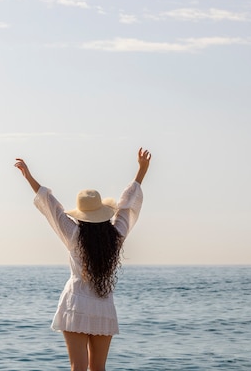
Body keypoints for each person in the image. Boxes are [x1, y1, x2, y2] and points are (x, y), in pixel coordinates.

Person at [14, 147, 151, 371]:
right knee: (98, 368)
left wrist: (29, 177)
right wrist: (141, 171)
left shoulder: (74, 235)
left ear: (81, 215)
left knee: (78, 367)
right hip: (103, 305)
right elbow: (127, 207)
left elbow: (51, 206)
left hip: (75, 301)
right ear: (103, 214)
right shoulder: (115, 237)